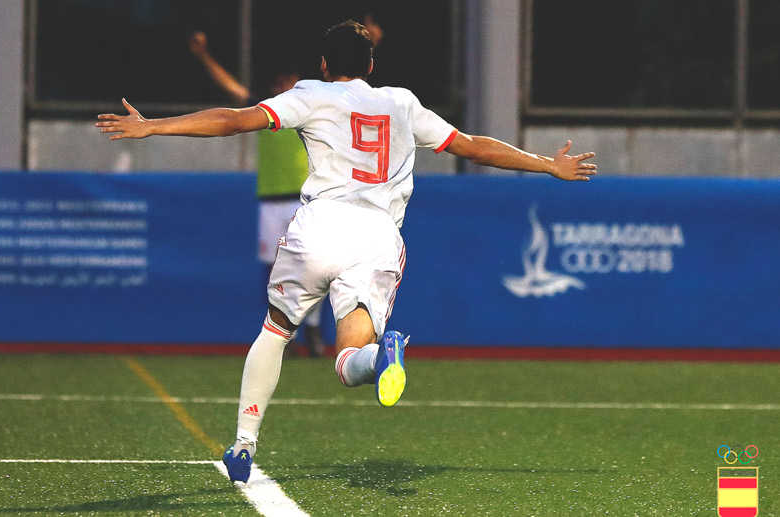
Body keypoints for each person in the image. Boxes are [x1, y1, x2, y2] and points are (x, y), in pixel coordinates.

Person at [96, 20, 597, 484]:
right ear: (371, 65)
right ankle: (380, 357)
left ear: (323, 64)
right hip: (377, 237)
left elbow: (233, 119)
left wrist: (153, 125)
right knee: (348, 359)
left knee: (276, 331)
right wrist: (548, 165)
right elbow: (471, 145)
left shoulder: (310, 94)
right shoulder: (402, 103)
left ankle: (244, 444)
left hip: (321, 226)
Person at [188, 30, 326, 358]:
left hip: (305, 201)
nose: (284, 87)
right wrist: (203, 56)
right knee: (274, 271)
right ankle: (284, 333)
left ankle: (313, 328)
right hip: (271, 202)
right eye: (280, 82)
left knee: (314, 267)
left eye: (290, 81)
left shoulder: (311, 111)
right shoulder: (264, 112)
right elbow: (231, 89)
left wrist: (369, 48)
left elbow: (348, 88)